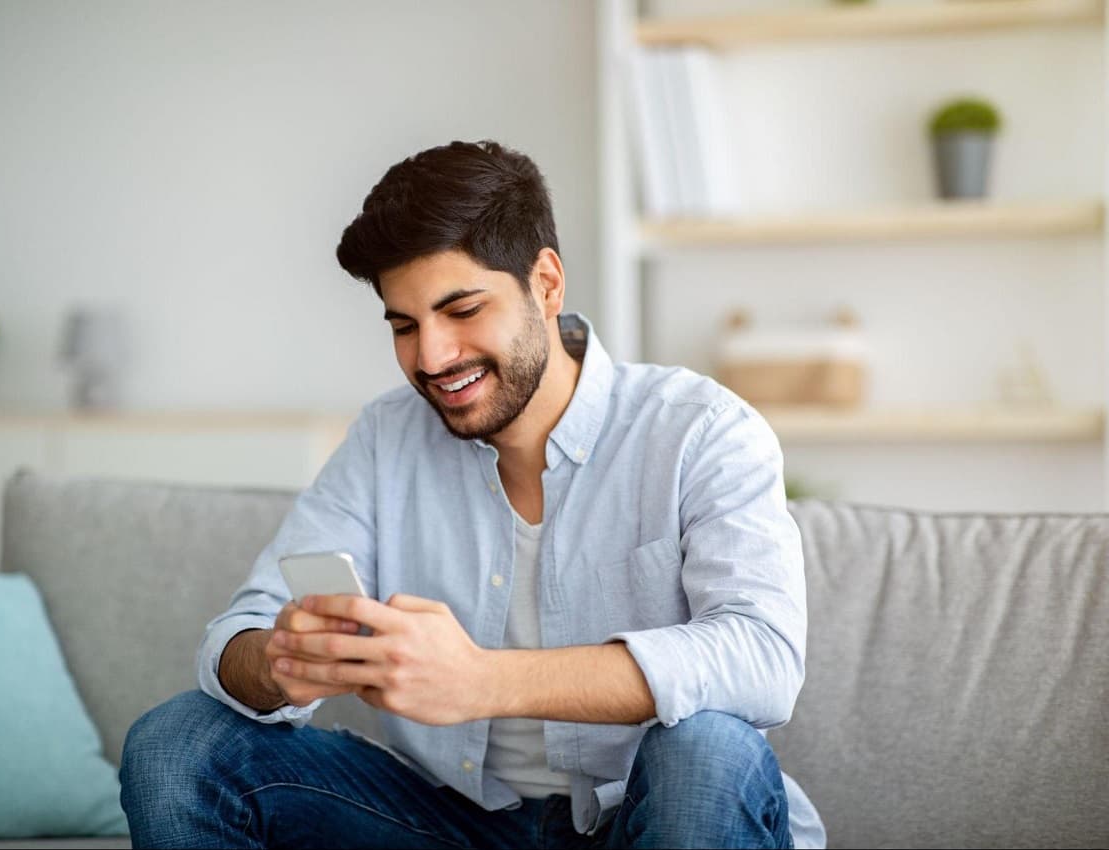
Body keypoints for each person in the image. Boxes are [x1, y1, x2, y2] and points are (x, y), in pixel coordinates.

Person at [119, 140, 825, 849]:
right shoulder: (384, 439)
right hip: (450, 824)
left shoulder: (701, 429)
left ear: (546, 284)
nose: (431, 357)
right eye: (404, 325)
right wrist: (278, 660)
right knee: (175, 743)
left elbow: (760, 656)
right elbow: (235, 635)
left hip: (643, 818)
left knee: (704, 751)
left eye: (461, 310)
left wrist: (486, 681)